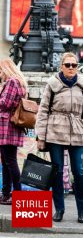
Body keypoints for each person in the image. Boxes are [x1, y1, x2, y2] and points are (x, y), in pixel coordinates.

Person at [35, 52, 83, 223]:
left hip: (76, 132)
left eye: (74, 65)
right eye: (68, 65)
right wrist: (41, 136)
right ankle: (59, 210)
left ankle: (81, 211)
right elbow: (43, 111)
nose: (71, 68)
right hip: (55, 132)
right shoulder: (52, 84)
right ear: (61, 66)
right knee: (57, 172)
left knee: (79, 172)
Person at [0, 58, 28, 205]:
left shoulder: (12, 81)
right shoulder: (18, 81)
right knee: (6, 162)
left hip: (7, 127)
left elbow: (5, 103)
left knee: (10, 162)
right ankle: (6, 193)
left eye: (0, 70)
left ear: (6, 69)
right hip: (9, 126)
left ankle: (16, 193)